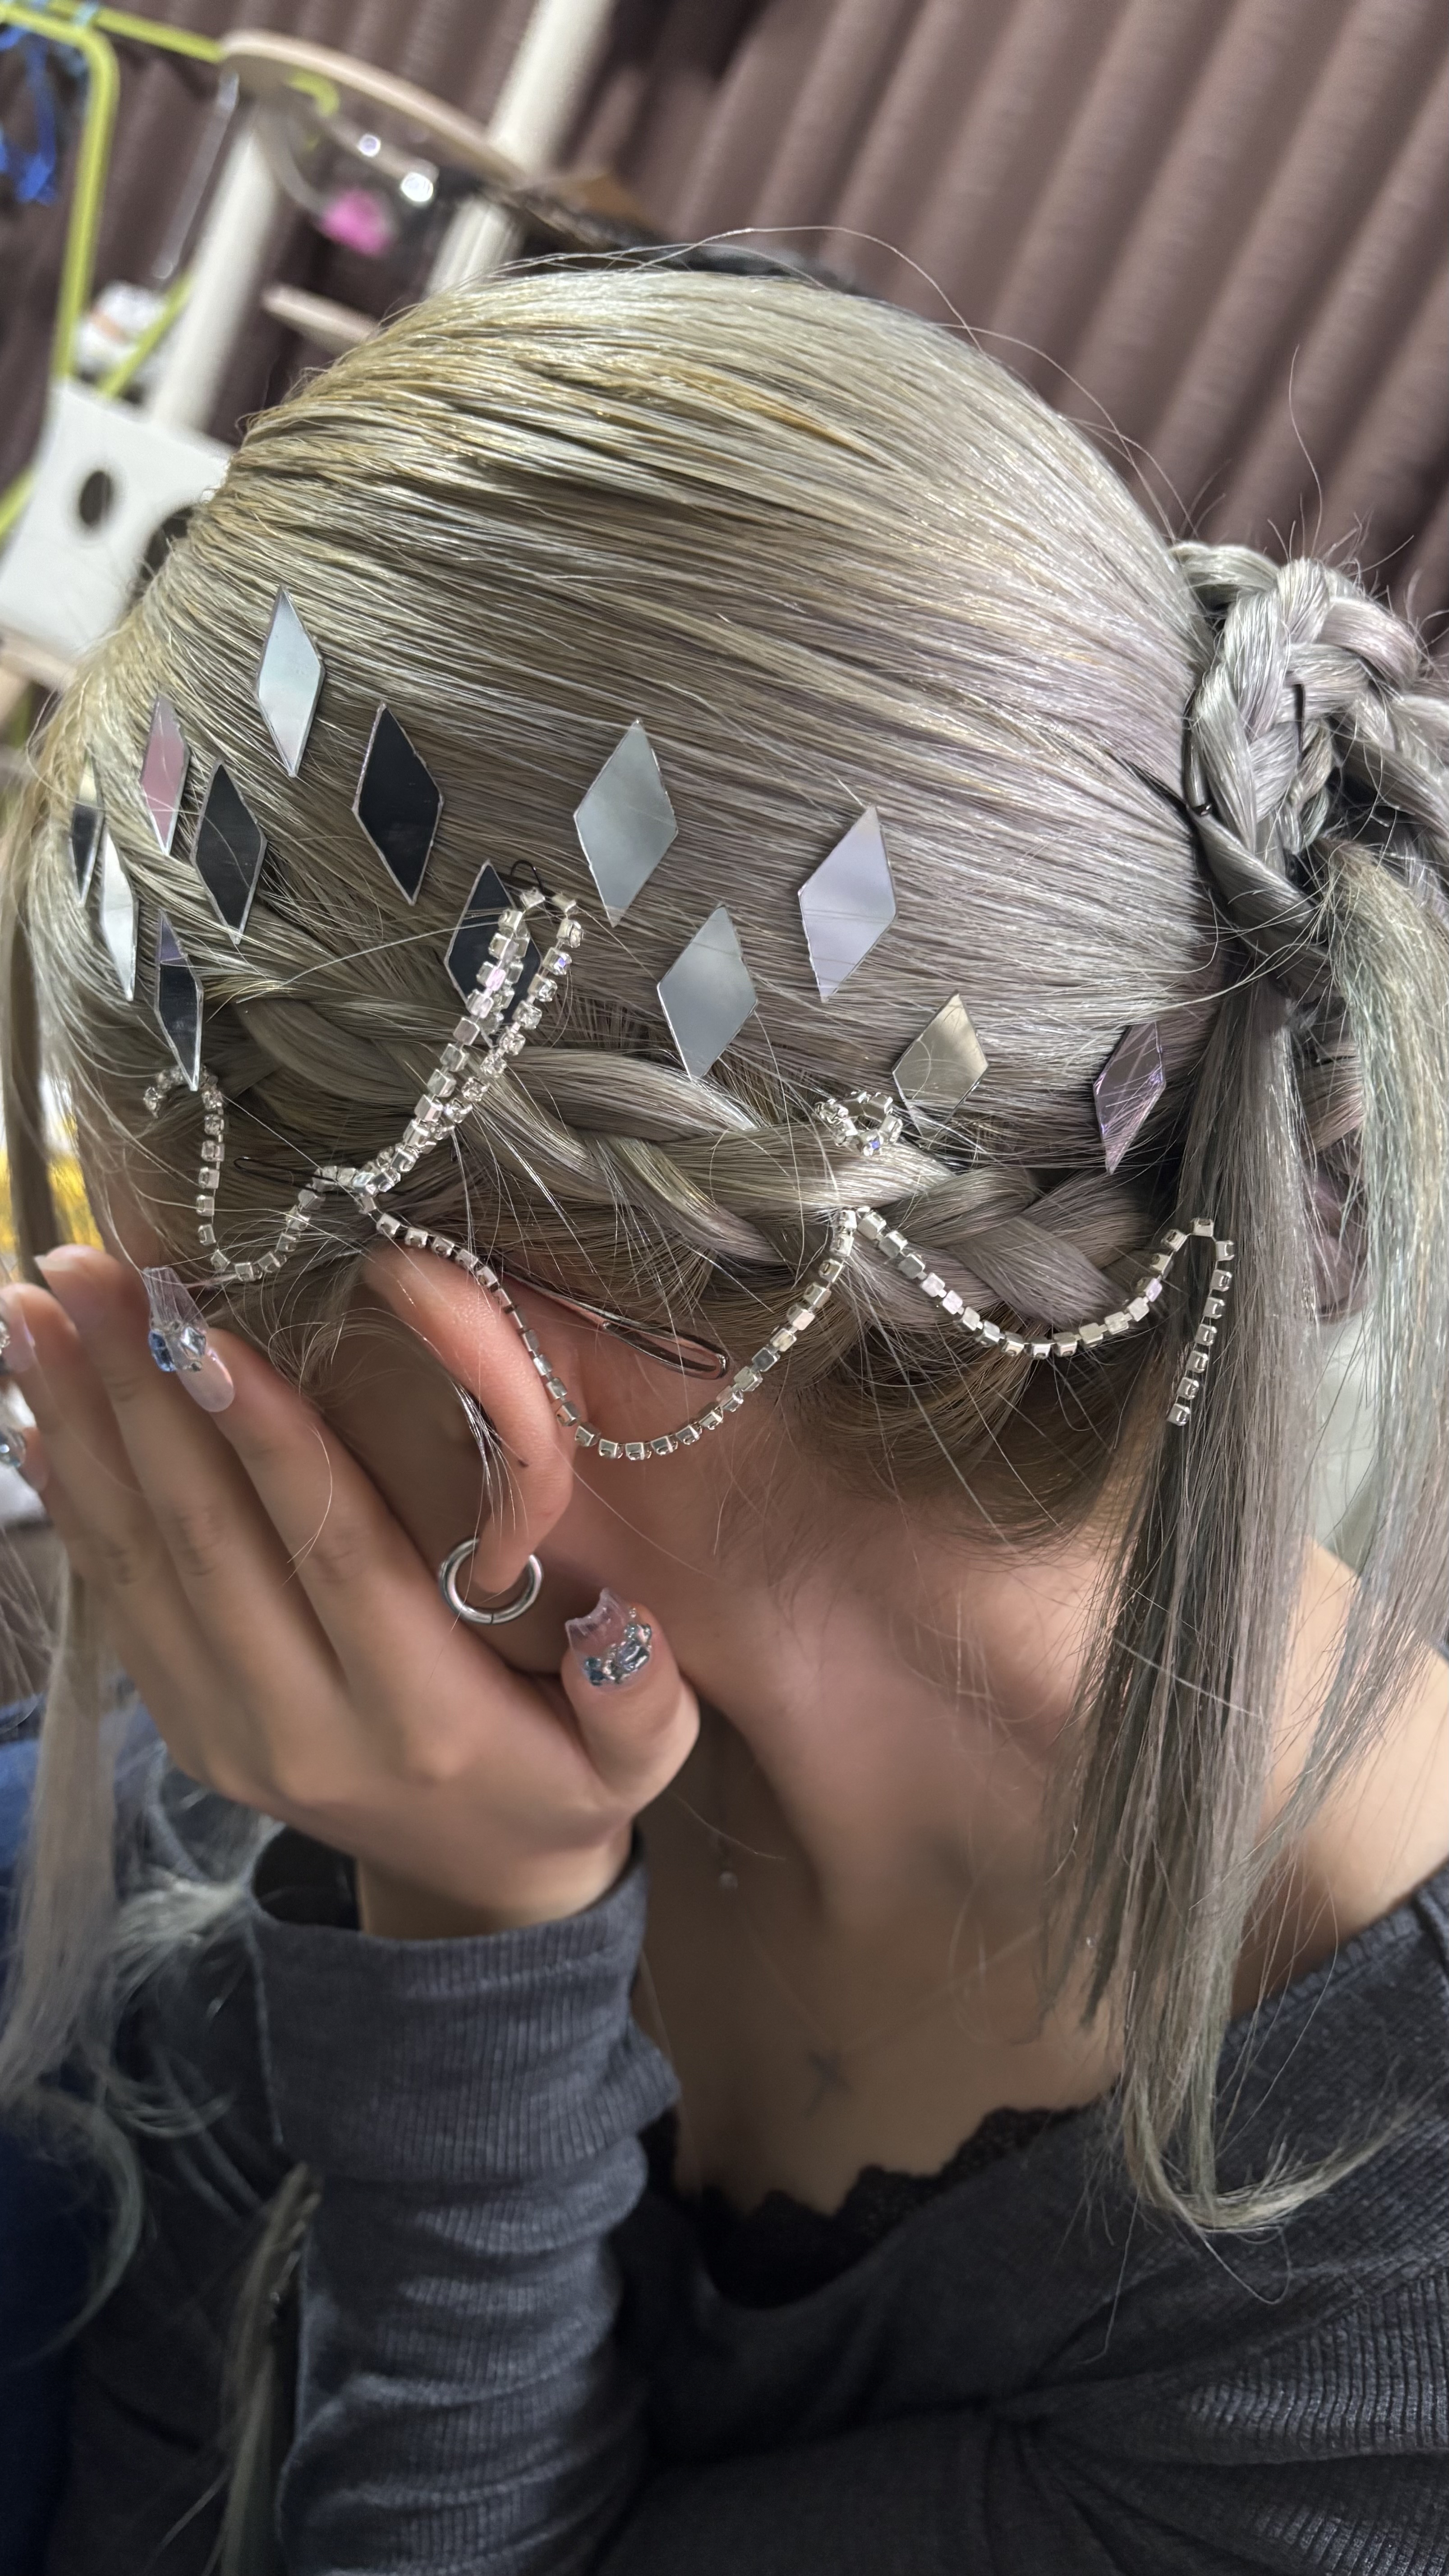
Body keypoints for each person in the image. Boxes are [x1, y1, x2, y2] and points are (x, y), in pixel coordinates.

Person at [0, 263, 1445, 2576]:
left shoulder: (1390, 2359)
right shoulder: (368, 1732)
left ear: (488, 1433)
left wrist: (460, 1956)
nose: (124, 1473)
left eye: (162, 1321)